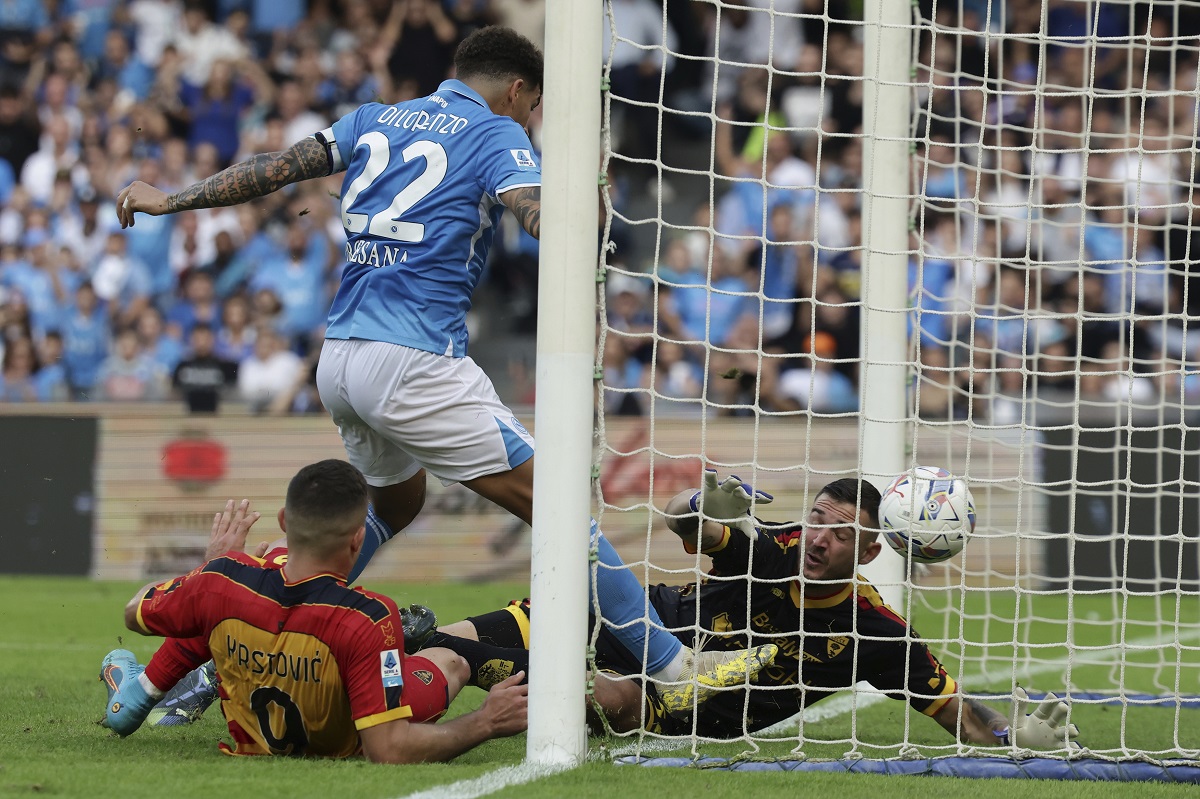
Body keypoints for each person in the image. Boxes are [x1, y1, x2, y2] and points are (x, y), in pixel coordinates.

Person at [114, 25, 771, 704]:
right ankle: (673, 669)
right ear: (517, 91)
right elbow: (534, 212)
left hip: (339, 359)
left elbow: (277, 166)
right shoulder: (494, 132)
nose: (529, 118)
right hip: (414, 362)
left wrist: (174, 198)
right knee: (561, 507)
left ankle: (217, 663)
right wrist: (580, 211)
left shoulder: (375, 117)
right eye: (533, 106)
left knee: (396, 503)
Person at [424, 471, 1081, 749]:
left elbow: (956, 707)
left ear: (874, 548)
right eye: (818, 518)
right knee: (535, 600)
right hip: (650, 618)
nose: (819, 537)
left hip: (676, 701)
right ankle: (405, 645)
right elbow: (690, 528)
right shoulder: (778, 546)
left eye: (841, 532)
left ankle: (427, 661)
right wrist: (697, 503)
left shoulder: (878, 631)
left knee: (602, 697)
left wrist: (1008, 736)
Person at [104, 460, 527, 761]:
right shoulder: (370, 616)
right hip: (350, 723)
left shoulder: (222, 577)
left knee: (229, 597)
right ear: (359, 540)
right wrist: (484, 722)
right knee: (449, 659)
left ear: (284, 518)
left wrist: (207, 569)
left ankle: (152, 691)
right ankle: (550, 654)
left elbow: (132, 610)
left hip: (256, 728)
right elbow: (389, 749)